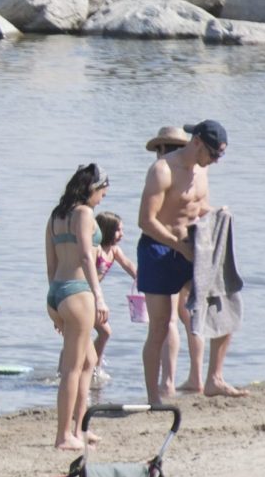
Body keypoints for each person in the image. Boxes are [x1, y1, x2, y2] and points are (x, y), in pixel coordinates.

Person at [138, 122, 222, 403]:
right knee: (160, 324)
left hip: (192, 246)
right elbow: (146, 220)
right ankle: (154, 396)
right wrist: (177, 247)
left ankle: (211, 379)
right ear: (197, 142)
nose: (214, 161)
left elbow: (198, 207)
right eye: (213, 154)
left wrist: (221, 215)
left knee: (218, 307)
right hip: (159, 249)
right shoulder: (161, 170)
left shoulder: (203, 170)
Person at [45, 164, 109, 451]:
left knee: (88, 361)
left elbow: (51, 263)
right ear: (92, 188)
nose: (103, 198)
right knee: (72, 368)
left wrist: (55, 304)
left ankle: (80, 427)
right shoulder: (84, 213)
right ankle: (63, 436)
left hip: (58, 292)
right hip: (78, 292)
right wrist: (98, 295)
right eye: (102, 192)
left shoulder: (56, 216)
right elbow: (85, 255)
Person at [91, 209, 135, 397]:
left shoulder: (114, 251)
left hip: (94, 296)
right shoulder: (96, 249)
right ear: (107, 230)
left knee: (99, 333)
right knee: (101, 332)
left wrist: (143, 280)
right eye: (118, 230)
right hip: (85, 294)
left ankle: (94, 367)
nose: (122, 234)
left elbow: (129, 265)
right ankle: (91, 368)